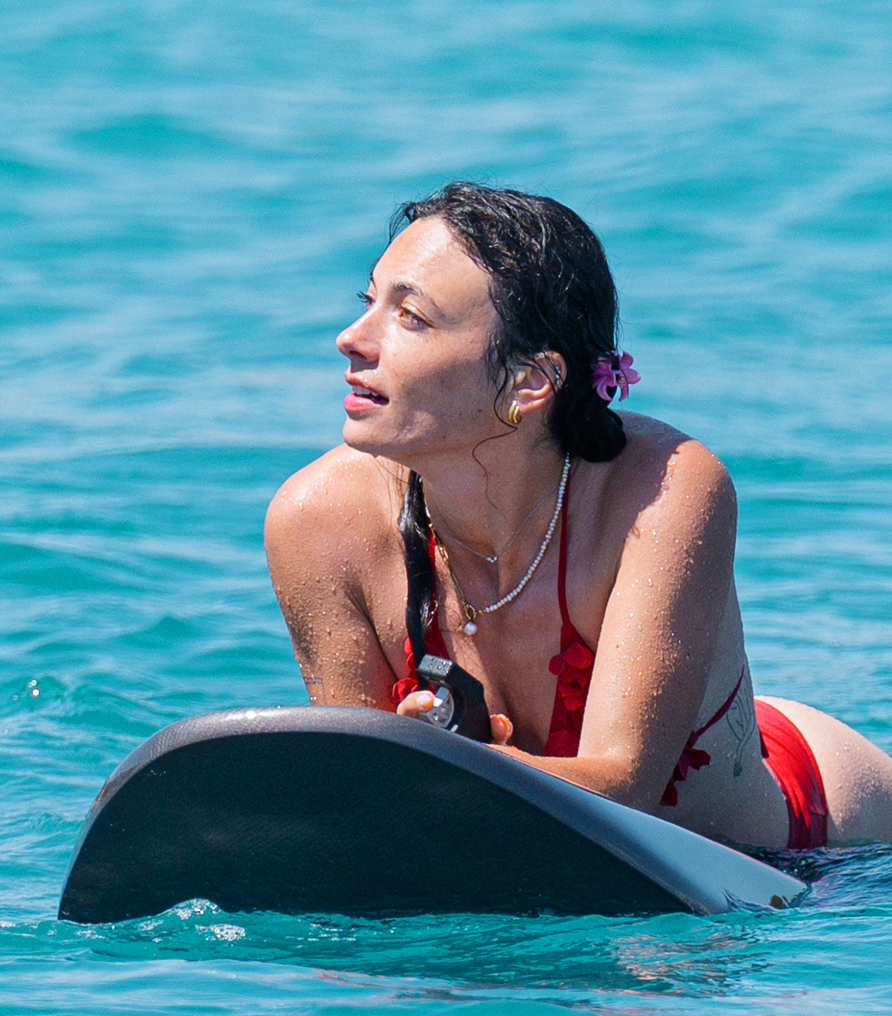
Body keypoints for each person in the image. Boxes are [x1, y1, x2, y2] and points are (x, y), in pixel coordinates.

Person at [265, 182, 892, 849]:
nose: (350, 340)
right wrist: (412, 763)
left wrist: (440, 764)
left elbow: (625, 796)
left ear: (529, 382)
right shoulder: (318, 523)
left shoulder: (662, 491)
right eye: (367, 303)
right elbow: (356, 810)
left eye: (410, 317)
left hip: (819, 852)